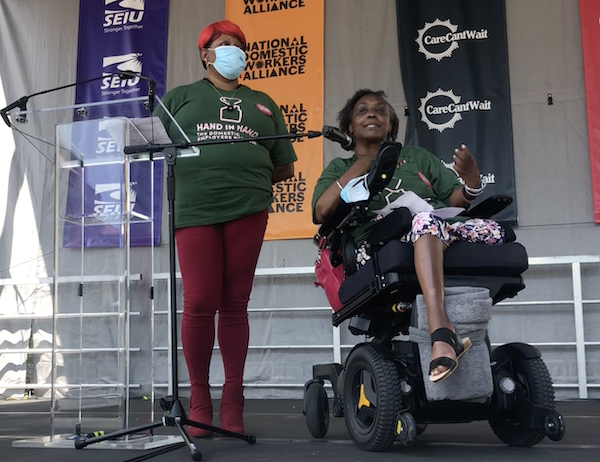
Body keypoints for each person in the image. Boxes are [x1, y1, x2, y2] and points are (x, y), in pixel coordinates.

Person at [155, 20, 297, 437]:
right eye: (223, 44)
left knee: (235, 303)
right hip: (194, 209)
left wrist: (243, 175)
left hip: (247, 208)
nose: (232, 49)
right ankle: (199, 398)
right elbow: (150, 146)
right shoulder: (180, 98)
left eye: (238, 44)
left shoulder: (264, 101)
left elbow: (284, 164)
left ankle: (233, 398)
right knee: (199, 301)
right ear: (206, 54)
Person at [312, 89, 504, 383]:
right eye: (363, 110)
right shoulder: (340, 168)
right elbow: (322, 212)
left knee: (497, 233)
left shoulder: (417, 158)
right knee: (423, 221)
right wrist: (364, 163)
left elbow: (454, 201)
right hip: (378, 245)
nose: (373, 113)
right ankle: (442, 331)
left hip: (440, 231)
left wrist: (471, 184)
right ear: (349, 127)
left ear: (391, 124)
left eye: (380, 110)